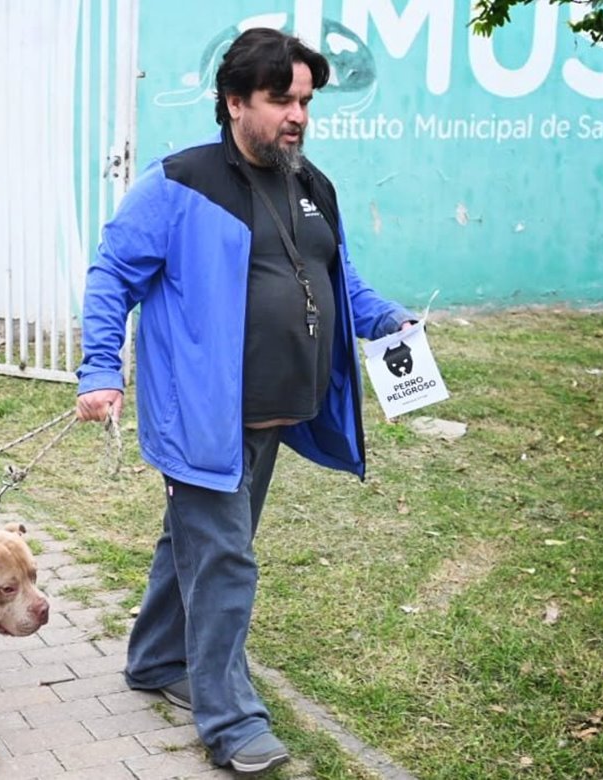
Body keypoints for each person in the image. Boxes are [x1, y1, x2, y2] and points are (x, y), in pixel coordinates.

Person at [75, 28, 415, 775]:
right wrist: (100, 369)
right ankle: (231, 724)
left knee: (195, 544)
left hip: (275, 415)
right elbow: (111, 276)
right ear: (235, 103)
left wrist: (388, 318)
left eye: (305, 100)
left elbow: (337, 278)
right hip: (202, 422)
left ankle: (156, 661)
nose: (297, 115)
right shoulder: (179, 183)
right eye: (280, 99)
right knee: (225, 561)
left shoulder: (311, 185)